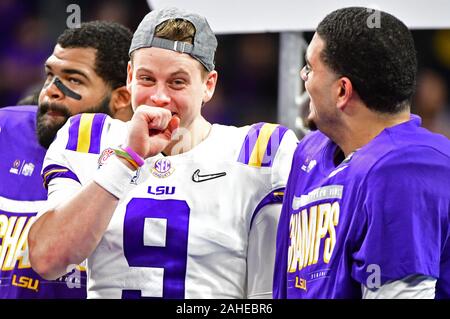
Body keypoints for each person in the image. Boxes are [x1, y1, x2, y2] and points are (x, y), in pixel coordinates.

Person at [28, 7, 298, 299]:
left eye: (177, 82)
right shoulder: (88, 137)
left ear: (208, 85)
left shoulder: (257, 151)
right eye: (146, 79)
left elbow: (266, 297)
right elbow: (48, 260)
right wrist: (127, 158)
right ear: (129, 76)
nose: (159, 96)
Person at [273, 7, 450, 299]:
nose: (304, 78)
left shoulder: (407, 171)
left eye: (310, 68)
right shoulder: (310, 153)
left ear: (342, 91)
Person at [0, 21, 133, 298]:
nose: (50, 90)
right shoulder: (4, 131)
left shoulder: (149, 162)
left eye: (74, 80)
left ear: (121, 98)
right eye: (50, 75)